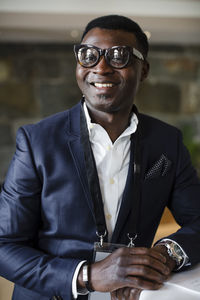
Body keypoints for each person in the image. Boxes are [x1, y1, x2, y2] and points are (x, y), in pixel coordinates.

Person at [0, 14, 200, 300]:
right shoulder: (37, 141)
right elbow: (5, 244)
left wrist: (166, 255)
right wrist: (87, 276)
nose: (101, 67)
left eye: (119, 56)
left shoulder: (168, 142)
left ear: (143, 69)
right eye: (88, 56)